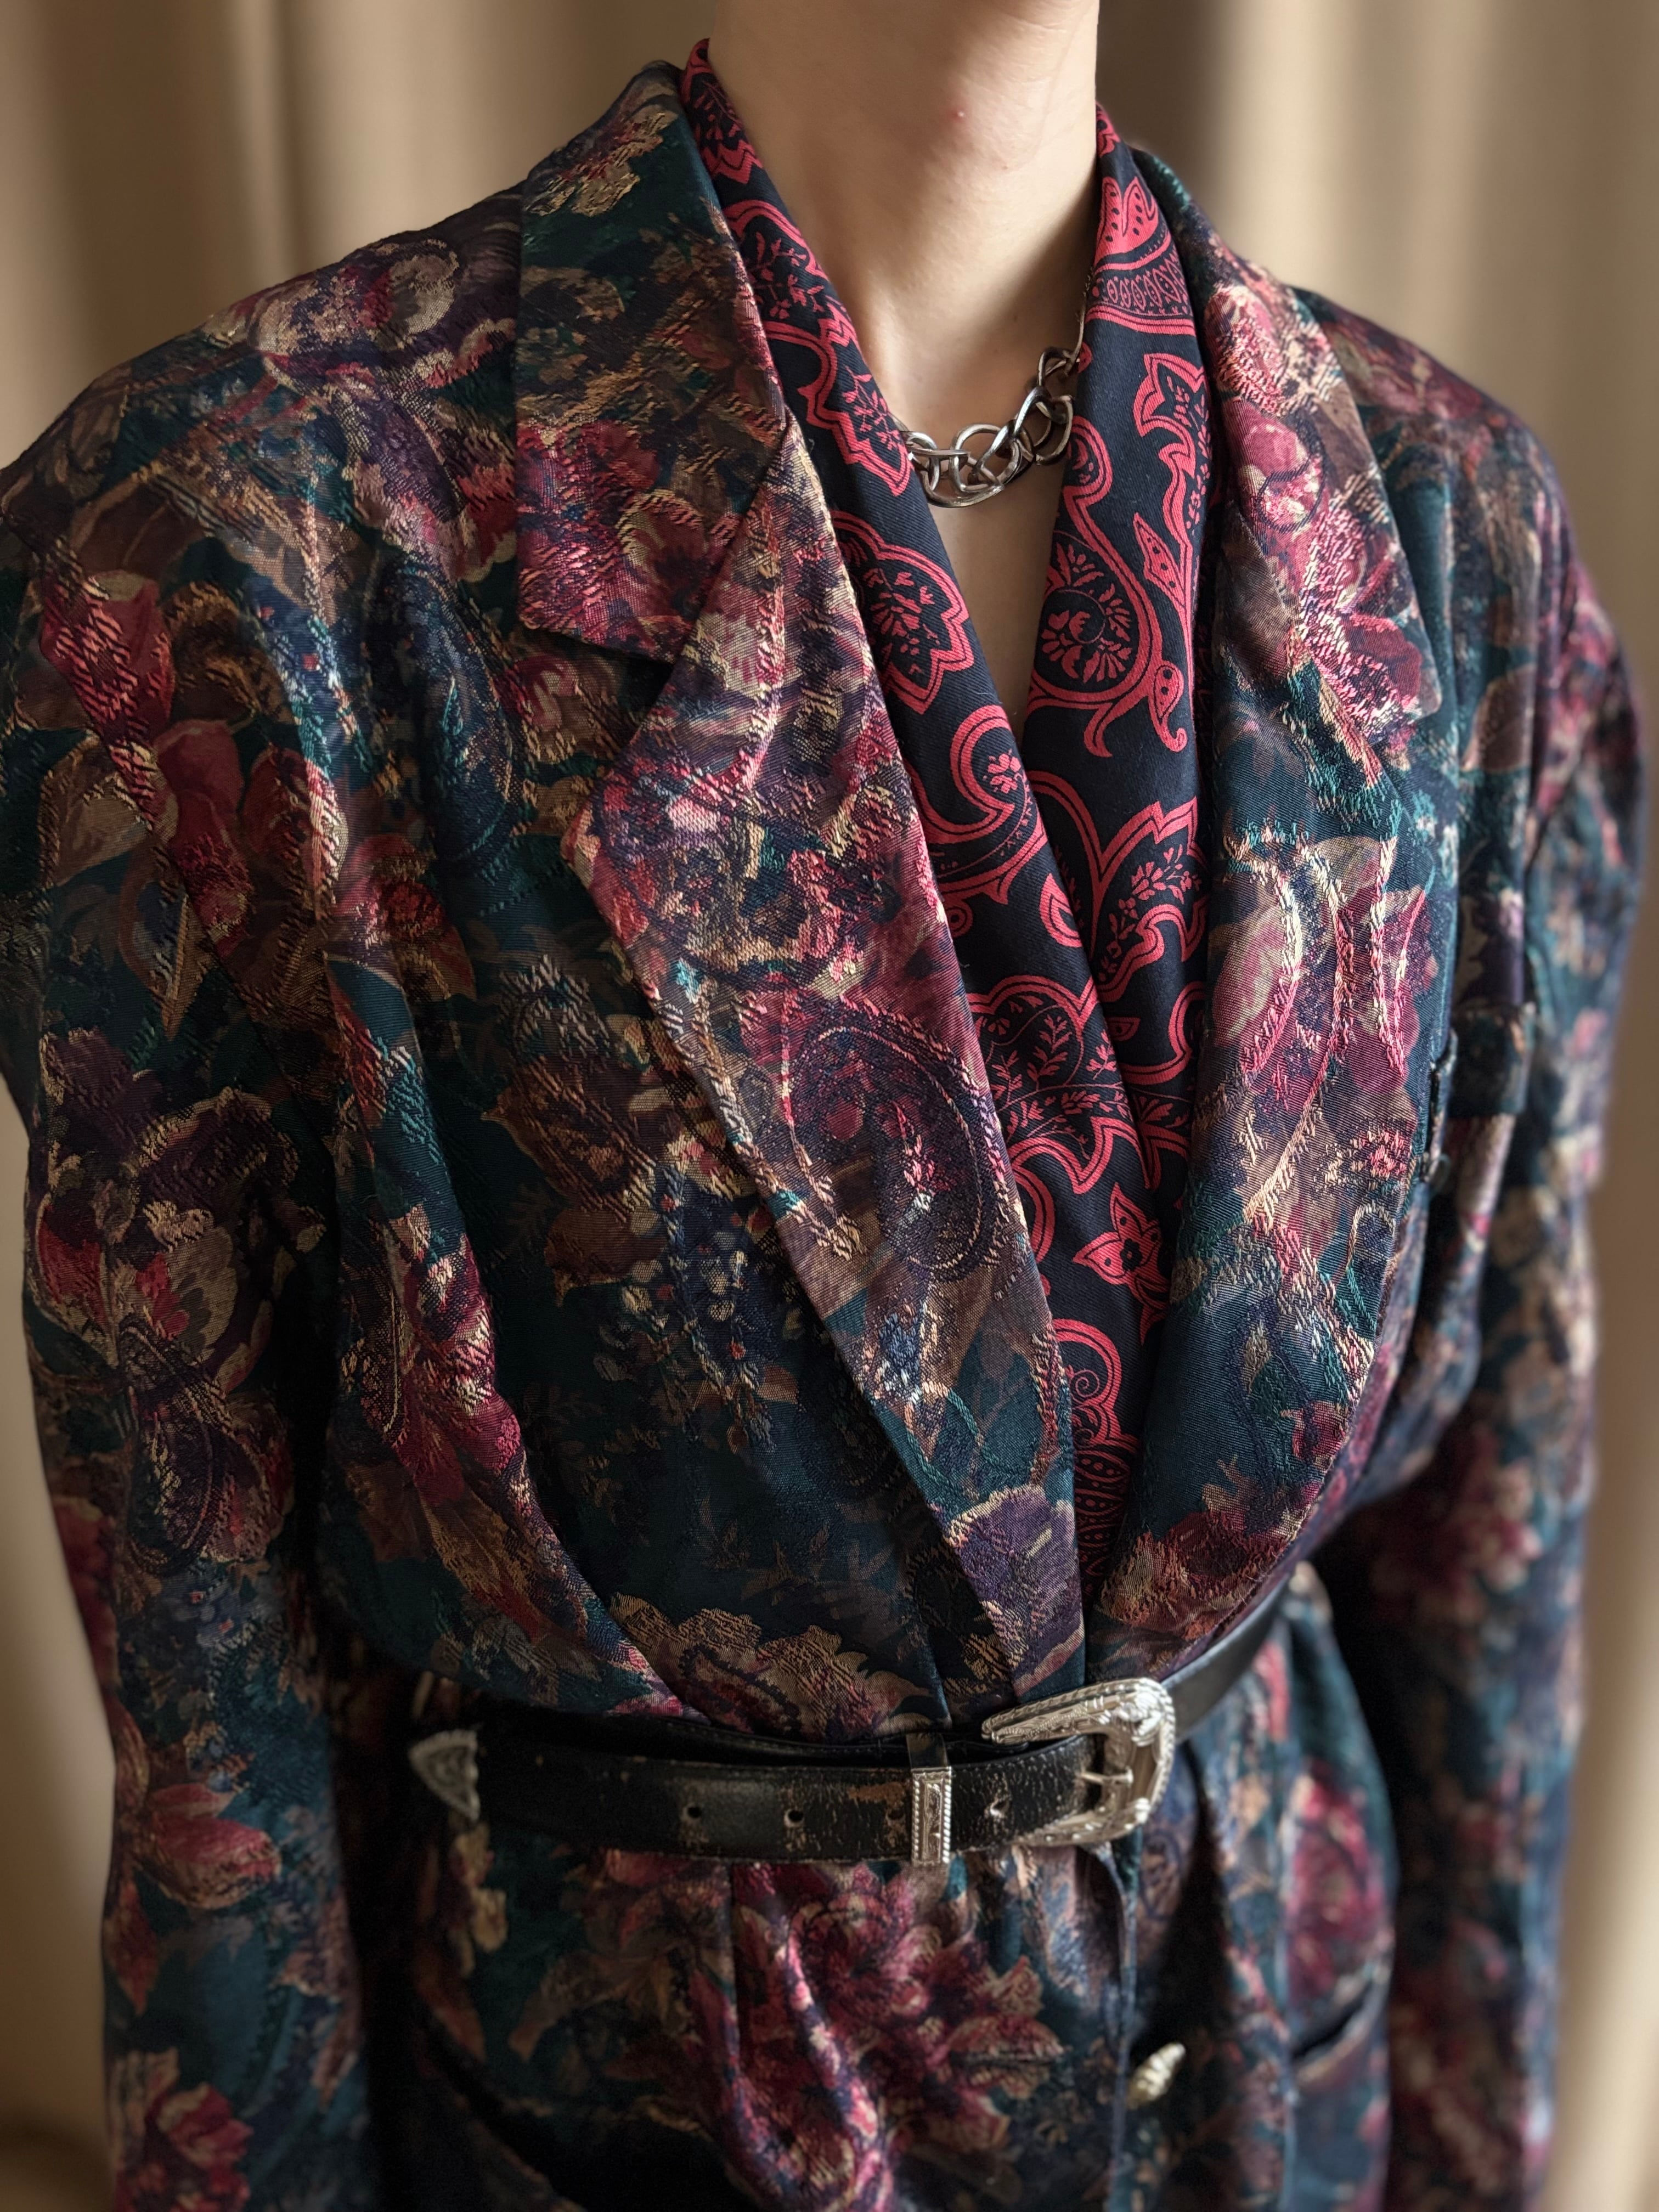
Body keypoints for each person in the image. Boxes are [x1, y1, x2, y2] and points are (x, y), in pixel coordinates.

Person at [0, 2, 1642, 2206]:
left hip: (1272, 2091)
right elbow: (217, 1707)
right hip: (636, 2117)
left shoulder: (1450, 533)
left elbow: (1487, 1556)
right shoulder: (230, 544)